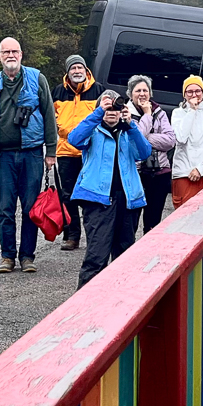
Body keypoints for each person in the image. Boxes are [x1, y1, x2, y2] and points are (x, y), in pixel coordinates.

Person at [0, 37, 58, 274]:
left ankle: (28, 257)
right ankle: (7, 256)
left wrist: (50, 151)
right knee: (5, 208)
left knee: (31, 208)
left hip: (32, 154)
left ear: (21, 54)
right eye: (6, 52)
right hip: (3, 156)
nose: (11, 55)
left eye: (15, 51)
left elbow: (49, 114)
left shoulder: (37, 78)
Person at [67, 90, 153, 288]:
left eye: (116, 107)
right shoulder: (93, 130)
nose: (112, 111)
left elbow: (143, 152)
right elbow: (74, 140)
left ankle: (122, 305)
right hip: (98, 200)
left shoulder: (128, 131)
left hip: (128, 199)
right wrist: (98, 112)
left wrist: (131, 125)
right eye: (107, 107)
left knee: (125, 257)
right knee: (96, 256)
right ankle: (86, 304)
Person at [52, 55, 105, 251]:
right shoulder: (58, 92)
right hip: (65, 152)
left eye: (79, 67)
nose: (76, 71)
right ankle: (71, 235)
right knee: (68, 196)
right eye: (73, 68)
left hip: (91, 152)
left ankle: (94, 235)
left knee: (92, 194)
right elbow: (50, 119)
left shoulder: (99, 91)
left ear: (86, 70)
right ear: (68, 72)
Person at [124, 74, 176, 234]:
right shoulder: (125, 113)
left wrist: (145, 137)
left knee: (153, 221)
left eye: (145, 90)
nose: (142, 94)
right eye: (137, 90)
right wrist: (147, 115)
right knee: (130, 219)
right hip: (136, 172)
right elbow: (133, 141)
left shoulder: (159, 112)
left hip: (159, 172)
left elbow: (170, 140)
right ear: (130, 93)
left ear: (150, 93)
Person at [170, 75, 203, 207]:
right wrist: (191, 111)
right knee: (184, 218)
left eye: (197, 91)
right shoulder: (177, 113)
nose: (194, 95)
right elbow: (181, 139)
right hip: (183, 173)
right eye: (189, 91)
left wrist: (201, 169)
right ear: (184, 94)